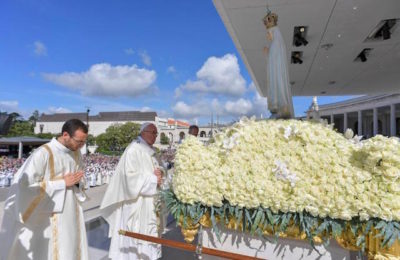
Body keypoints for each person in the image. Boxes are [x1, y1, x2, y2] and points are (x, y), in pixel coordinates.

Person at [0, 119, 89, 260]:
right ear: (65, 135)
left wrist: (77, 183)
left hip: (71, 213)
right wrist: (61, 184)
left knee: (70, 248)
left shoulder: (76, 153)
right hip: (48, 217)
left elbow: (79, 179)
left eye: (83, 142)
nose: (81, 146)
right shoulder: (43, 153)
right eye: (79, 141)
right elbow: (24, 187)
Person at [100, 122, 163, 260]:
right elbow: (129, 178)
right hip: (136, 204)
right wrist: (153, 180)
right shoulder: (134, 150)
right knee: (135, 242)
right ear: (143, 132)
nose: (155, 136)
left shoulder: (151, 151)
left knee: (150, 237)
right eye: (152, 132)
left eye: (156, 133)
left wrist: (161, 175)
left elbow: (159, 171)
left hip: (150, 203)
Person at [263, 11, 295, 119]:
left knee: (277, 82)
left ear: (272, 32)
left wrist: (268, 53)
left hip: (276, 75)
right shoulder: (275, 45)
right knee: (276, 82)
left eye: (268, 33)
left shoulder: (275, 45)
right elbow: (273, 62)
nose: (267, 36)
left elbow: (274, 63)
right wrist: (268, 53)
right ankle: (279, 106)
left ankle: (281, 105)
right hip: (274, 73)